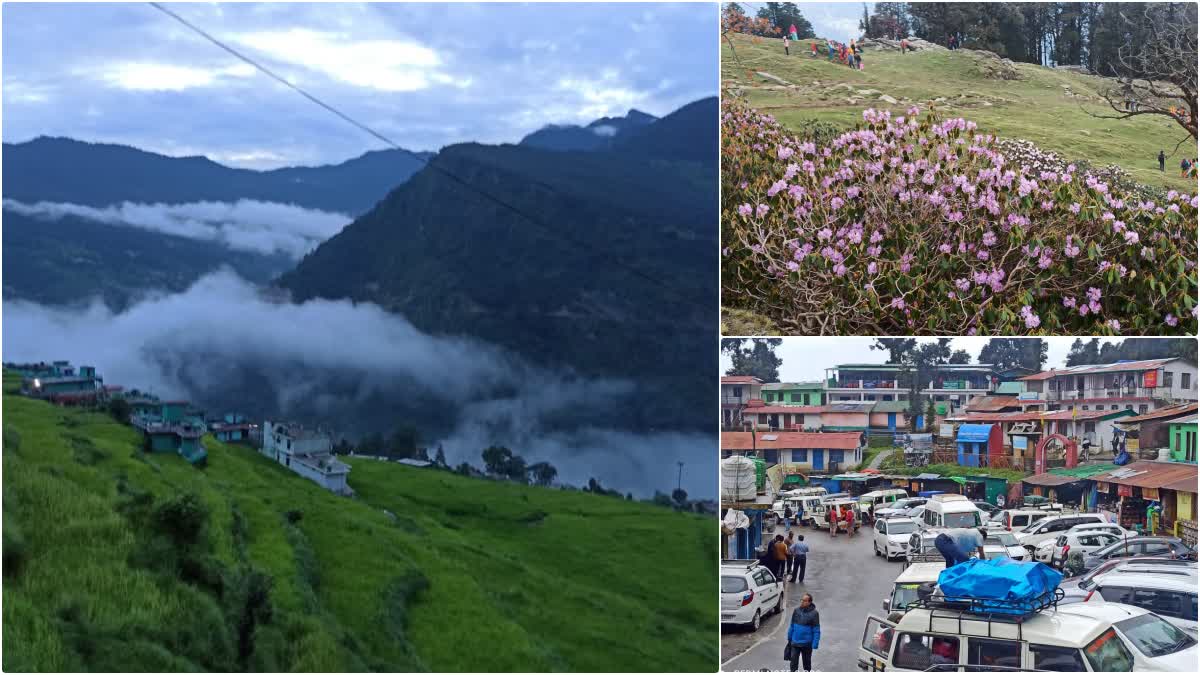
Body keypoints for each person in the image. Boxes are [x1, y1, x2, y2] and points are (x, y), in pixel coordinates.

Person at [786, 593, 821, 672]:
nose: (802, 602)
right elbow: (792, 625)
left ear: (809, 602)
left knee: (807, 664)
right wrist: (789, 636)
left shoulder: (814, 613)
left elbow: (816, 630)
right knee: (793, 663)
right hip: (795, 642)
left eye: (804, 600)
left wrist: (815, 643)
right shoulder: (796, 611)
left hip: (807, 644)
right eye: (802, 600)